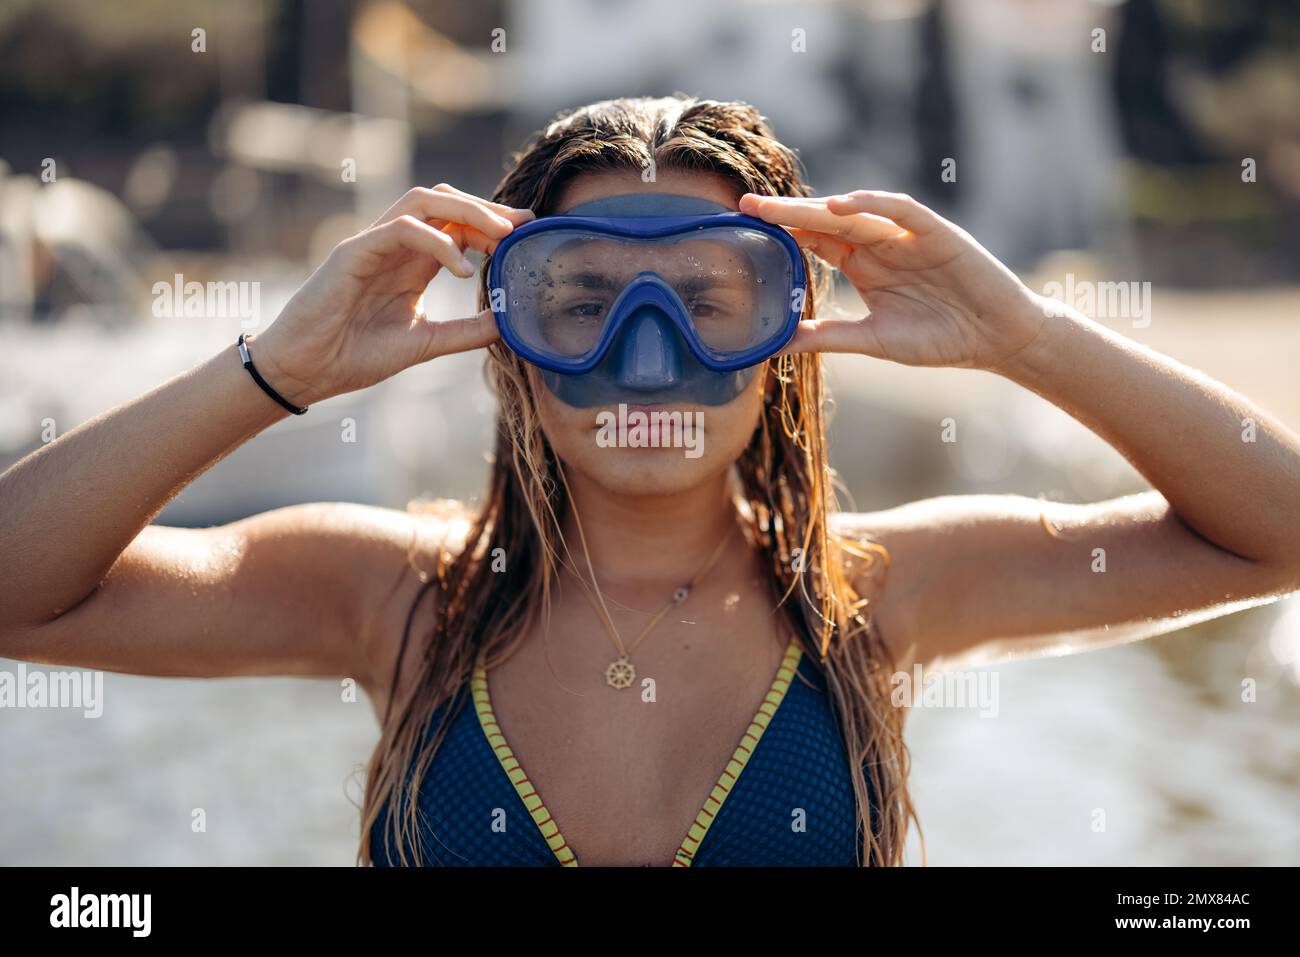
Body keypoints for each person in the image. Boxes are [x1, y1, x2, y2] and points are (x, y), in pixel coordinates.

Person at [2, 96, 1297, 867]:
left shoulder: (879, 595)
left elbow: (1278, 530)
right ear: (506, 334)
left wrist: (1026, 339)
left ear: (789, 332)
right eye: (583, 308)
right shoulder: (392, 595)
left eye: (704, 307)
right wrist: (272, 370)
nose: (646, 363)